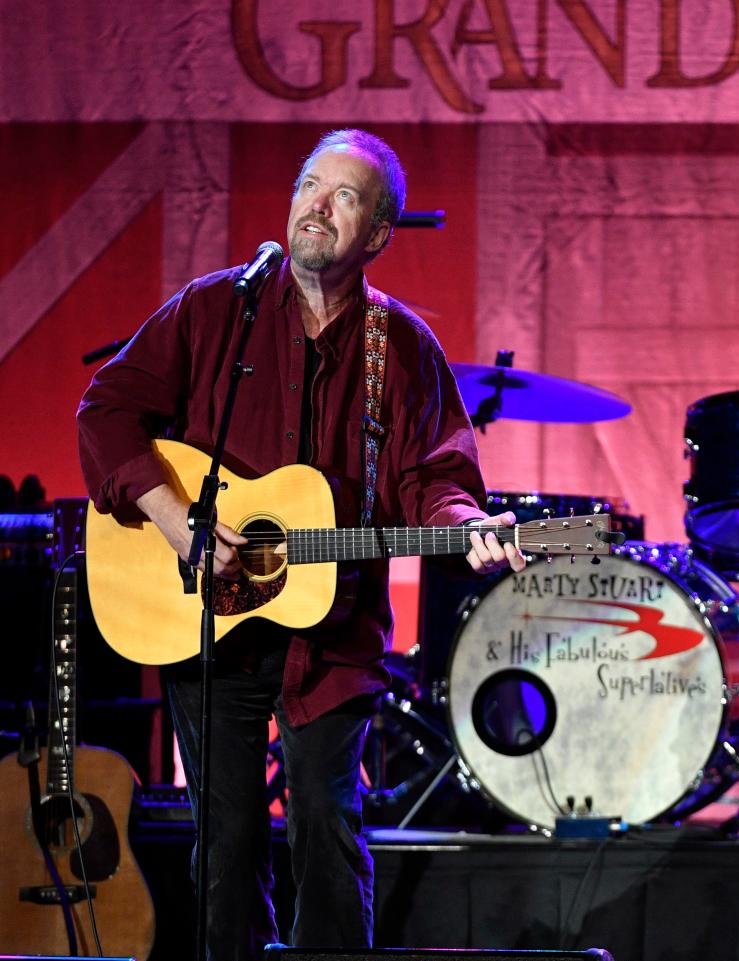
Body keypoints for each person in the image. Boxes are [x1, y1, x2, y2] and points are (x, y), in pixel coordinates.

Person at [78, 129, 525, 960]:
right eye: (309, 186)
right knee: (228, 842)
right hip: (207, 625)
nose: (316, 207)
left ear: (379, 233)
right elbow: (105, 412)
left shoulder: (402, 345)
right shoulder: (217, 308)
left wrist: (466, 524)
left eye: (343, 196)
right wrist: (183, 523)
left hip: (334, 634)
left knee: (326, 826)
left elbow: (437, 475)